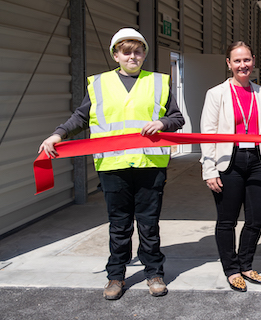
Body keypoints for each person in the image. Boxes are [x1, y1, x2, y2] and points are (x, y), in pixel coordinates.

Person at [38, 28, 185, 300]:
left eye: (138, 51)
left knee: (148, 224)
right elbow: (80, 117)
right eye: (126, 51)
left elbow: (177, 118)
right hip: (112, 167)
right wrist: (57, 134)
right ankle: (116, 276)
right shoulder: (99, 84)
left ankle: (154, 273)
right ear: (115, 55)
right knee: (119, 225)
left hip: (149, 164)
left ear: (144, 54)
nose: (133, 56)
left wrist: (163, 123)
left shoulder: (158, 82)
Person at [200, 41, 261, 293]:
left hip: (257, 160)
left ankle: (246, 264)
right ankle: (231, 269)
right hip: (228, 162)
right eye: (237, 60)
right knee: (227, 220)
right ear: (229, 63)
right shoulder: (216, 93)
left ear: (253, 61)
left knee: (257, 217)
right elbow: (207, 134)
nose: (242, 65)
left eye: (246, 60)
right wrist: (209, 169)